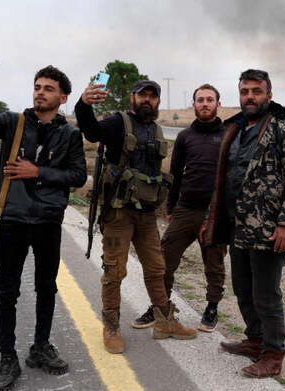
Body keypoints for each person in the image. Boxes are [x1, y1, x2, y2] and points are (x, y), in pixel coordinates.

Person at [0, 65, 87, 390]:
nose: (40, 92)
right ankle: (7, 357)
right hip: (12, 219)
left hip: (48, 222)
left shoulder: (70, 134)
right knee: (7, 292)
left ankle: (40, 348)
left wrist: (37, 171)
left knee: (46, 288)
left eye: (48, 88)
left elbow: (78, 176)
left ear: (62, 97)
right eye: (37, 86)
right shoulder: (13, 123)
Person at [201, 69, 285, 378]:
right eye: (245, 91)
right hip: (238, 226)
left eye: (256, 91)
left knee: (266, 294)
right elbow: (224, 179)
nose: (250, 96)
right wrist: (212, 218)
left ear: (269, 95)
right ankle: (254, 340)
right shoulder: (235, 129)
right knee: (243, 288)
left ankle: (274, 354)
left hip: (269, 229)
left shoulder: (284, 129)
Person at [75, 79, 197, 355]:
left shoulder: (155, 128)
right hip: (118, 214)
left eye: (153, 97)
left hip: (147, 215)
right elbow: (92, 131)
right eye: (143, 95)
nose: (148, 100)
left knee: (157, 268)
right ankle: (111, 326)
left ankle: (164, 322)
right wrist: (84, 105)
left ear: (158, 102)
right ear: (133, 98)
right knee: (114, 273)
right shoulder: (119, 123)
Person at [132, 84, 227, 333]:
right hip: (185, 209)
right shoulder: (185, 136)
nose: (204, 103)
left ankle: (212, 308)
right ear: (193, 105)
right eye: (200, 100)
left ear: (218, 104)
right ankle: (159, 308)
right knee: (163, 261)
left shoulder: (229, 135)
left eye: (209, 99)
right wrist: (171, 207)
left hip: (215, 213)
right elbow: (174, 175)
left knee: (214, 264)